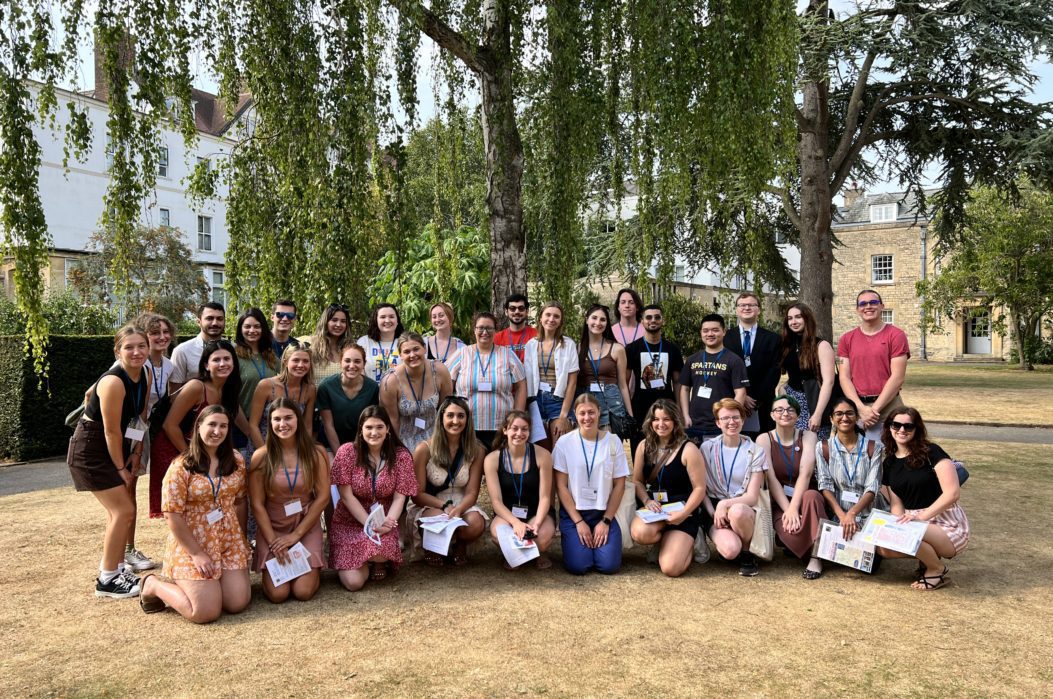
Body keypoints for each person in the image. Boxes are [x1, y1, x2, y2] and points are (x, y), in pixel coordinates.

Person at [137, 406, 251, 622]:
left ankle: (213, 585)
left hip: (228, 540)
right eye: (212, 424)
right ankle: (152, 584)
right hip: (193, 543)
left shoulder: (236, 461)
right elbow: (172, 514)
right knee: (205, 612)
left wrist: (242, 541)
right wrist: (197, 553)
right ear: (199, 427)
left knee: (237, 603)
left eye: (223, 426)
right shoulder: (181, 467)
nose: (217, 431)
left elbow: (240, 500)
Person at [67, 326, 150, 598]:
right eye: (129, 347)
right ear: (117, 351)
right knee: (123, 511)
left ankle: (116, 567)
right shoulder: (113, 381)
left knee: (119, 512)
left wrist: (135, 454)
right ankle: (107, 579)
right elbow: (110, 431)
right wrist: (120, 468)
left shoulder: (145, 374)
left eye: (141, 346)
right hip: (91, 450)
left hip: (116, 447)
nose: (136, 352)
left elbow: (139, 419)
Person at [149, 339, 250, 519]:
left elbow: (237, 414)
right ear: (206, 364)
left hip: (200, 451)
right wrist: (192, 458)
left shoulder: (228, 388)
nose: (222, 364)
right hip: (175, 446)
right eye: (216, 360)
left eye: (227, 359)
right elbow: (170, 425)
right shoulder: (196, 387)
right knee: (182, 508)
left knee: (204, 505)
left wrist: (258, 438)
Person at [878, 407, 969, 591]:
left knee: (909, 532)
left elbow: (952, 493)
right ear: (889, 427)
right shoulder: (889, 463)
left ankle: (936, 569)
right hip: (912, 520)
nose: (901, 430)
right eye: (896, 425)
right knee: (883, 547)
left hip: (945, 521)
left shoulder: (932, 452)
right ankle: (928, 560)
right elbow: (896, 503)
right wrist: (895, 523)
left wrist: (920, 518)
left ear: (916, 429)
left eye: (908, 426)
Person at [248, 398, 330, 602]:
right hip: (273, 528)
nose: (282, 424)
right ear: (270, 422)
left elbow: (322, 497)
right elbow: (257, 504)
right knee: (278, 595)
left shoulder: (315, 453)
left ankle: (311, 572)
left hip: (305, 525)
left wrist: (296, 535)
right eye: (276, 419)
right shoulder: (261, 457)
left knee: (303, 592)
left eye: (288, 418)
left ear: (298, 420)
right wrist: (274, 541)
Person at [330, 406, 418, 588]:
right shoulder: (346, 453)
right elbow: (346, 496)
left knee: (380, 551)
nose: (374, 432)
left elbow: (399, 498)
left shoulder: (401, 456)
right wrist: (369, 523)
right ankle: (364, 561)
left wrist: (388, 522)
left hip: (383, 521)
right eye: (369, 427)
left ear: (387, 429)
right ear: (361, 430)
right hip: (350, 521)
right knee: (353, 583)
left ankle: (376, 560)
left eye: (379, 427)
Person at [552, 394, 630, 575]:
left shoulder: (613, 441)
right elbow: (561, 486)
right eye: (582, 413)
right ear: (575, 415)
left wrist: (606, 521)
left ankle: (599, 542)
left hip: (604, 512)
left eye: (591, 412)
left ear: (599, 412)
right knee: (578, 566)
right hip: (575, 513)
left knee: (608, 566)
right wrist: (579, 522)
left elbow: (619, 484)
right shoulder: (564, 443)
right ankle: (579, 545)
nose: (587, 418)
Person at [629, 400, 707, 578]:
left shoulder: (689, 449)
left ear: (675, 421)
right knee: (640, 533)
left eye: (666, 419)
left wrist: (683, 513)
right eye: (656, 419)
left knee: (671, 569)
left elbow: (700, 488)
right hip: (656, 510)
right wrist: (647, 501)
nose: (661, 424)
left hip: (683, 512)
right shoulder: (644, 446)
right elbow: (637, 481)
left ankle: (691, 542)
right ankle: (665, 541)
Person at [123, 311, 175, 572]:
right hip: (130, 432)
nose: (162, 337)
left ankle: (128, 549)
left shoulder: (168, 365)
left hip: (148, 432)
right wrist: (134, 444)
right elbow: (94, 392)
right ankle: (125, 550)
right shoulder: (135, 363)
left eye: (166, 332)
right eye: (155, 333)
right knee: (126, 489)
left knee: (133, 489)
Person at [408, 397, 488, 566]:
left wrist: (459, 509)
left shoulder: (478, 450)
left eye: (461, 416)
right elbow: (417, 495)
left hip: (462, 501)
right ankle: (432, 547)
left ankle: (460, 546)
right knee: (440, 519)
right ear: (441, 418)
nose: (455, 421)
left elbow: (472, 492)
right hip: (431, 503)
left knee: (475, 523)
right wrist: (445, 506)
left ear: (467, 419)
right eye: (450, 415)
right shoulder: (424, 449)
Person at [755, 395, 826, 579]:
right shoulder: (764, 439)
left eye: (790, 410)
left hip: (807, 500)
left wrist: (795, 508)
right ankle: (804, 541)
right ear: (772, 415)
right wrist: (788, 510)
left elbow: (806, 473)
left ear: (797, 415)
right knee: (791, 536)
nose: (785, 413)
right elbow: (771, 479)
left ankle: (816, 556)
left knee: (812, 496)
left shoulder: (809, 436)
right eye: (779, 410)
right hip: (780, 501)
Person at [698, 398, 768, 576]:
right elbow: (701, 488)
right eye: (726, 418)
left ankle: (747, 552)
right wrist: (713, 511)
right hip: (714, 509)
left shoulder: (755, 450)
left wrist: (725, 505)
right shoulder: (706, 448)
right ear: (717, 422)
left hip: (744, 507)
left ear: (743, 420)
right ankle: (733, 545)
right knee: (730, 551)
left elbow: (752, 496)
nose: (732, 422)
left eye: (736, 417)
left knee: (737, 511)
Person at [484, 411, 557, 569]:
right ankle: (516, 553)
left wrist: (536, 524)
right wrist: (516, 523)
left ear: (530, 432)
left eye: (524, 429)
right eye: (514, 428)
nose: (519, 433)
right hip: (508, 514)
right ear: (505, 430)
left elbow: (545, 498)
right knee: (498, 534)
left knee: (541, 539)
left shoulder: (543, 455)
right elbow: (496, 502)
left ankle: (532, 552)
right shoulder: (492, 459)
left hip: (537, 513)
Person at [837, 289, 910, 441]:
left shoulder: (896, 335)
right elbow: (844, 377)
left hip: (889, 406)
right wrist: (860, 408)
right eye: (863, 303)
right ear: (858, 309)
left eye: (873, 302)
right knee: (854, 457)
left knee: (892, 457)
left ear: (882, 306)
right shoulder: (846, 339)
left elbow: (897, 377)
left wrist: (873, 410)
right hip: (856, 407)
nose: (868, 306)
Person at [447, 311, 527, 448]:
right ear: (474, 330)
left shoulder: (507, 354)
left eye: (489, 328)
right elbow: (447, 383)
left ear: (496, 330)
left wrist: (517, 416)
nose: (485, 332)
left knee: (497, 465)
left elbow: (521, 385)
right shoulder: (462, 353)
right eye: (480, 328)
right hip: (466, 425)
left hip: (501, 426)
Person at [815, 397, 885, 542]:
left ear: (857, 417)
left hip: (868, 515)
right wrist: (843, 516)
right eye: (839, 414)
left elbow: (872, 488)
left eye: (849, 413)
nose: (844, 418)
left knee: (870, 562)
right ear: (831, 419)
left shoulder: (874, 447)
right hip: (838, 515)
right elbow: (825, 484)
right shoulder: (823, 447)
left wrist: (852, 514)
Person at [379, 332, 453, 455]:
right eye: (407, 352)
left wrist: (446, 442)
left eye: (416, 349)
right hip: (404, 441)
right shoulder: (390, 381)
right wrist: (396, 451)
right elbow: (392, 420)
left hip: (435, 438)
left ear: (424, 348)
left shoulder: (439, 371)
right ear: (400, 355)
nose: (412, 355)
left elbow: (446, 409)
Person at [679, 314, 749, 444]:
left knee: (719, 462)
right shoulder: (692, 359)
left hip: (720, 425)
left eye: (715, 330)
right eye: (705, 330)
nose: (710, 334)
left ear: (724, 332)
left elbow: (741, 392)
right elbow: (684, 389)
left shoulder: (734, 360)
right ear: (701, 333)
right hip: (694, 424)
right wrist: (685, 415)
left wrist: (730, 419)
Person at [625, 304, 684, 451]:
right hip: (639, 409)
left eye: (657, 317)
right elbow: (624, 382)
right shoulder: (632, 348)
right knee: (640, 451)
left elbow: (678, 383)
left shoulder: (673, 349)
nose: (653, 320)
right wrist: (627, 410)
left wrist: (680, 409)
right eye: (649, 317)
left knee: (666, 451)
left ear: (663, 321)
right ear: (642, 321)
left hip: (667, 408)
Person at [723, 292, 781, 436]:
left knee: (763, 446)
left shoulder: (773, 339)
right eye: (742, 305)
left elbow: (774, 371)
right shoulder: (725, 338)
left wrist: (754, 399)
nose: (746, 308)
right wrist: (742, 396)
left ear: (759, 310)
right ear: (736, 309)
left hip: (762, 404)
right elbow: (723, 371)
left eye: (751, 305)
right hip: (732, 402)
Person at [522, 301, 579, 449]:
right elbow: (526, 379)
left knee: (559, 448)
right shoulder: (531, 345)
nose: (551, 319)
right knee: (540, 450)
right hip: (535, 402)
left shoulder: (568, 344)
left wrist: (563, 416)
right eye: (548, 314)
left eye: (556, 316)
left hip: (558, 401)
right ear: (540, 317)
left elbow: (572, 383)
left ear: (561, 321)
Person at [780, 302, 837, 439]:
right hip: (791, 404)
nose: (793, 321)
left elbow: (828, 382)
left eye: (798, 317)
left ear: (807, 319)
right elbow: (795, 373)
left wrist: (817, 414)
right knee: (793, 447)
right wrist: (784, 388)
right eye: (790, 318)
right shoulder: (788, 346)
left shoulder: (821, 345)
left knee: (814, 450)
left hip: (813, 403)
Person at [576, 304, 633, 435]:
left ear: (607, 323)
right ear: (586, 320)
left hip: (611, 405)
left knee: (609, 450)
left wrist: (629, 414)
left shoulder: (617, 349)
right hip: (586, 406)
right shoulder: (577, 349)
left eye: (603, 319)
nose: (598, 323)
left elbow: (623, 385)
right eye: (594, 318)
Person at [248, 346, 316, 449]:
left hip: (292, 449)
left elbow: (307, 426)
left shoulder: (310, 390)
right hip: (264, 446)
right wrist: (264, 454)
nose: (301, 365)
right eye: (296, 360)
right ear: (285, 362)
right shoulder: (266, 386)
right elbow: (253, 425)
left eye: (305, 361)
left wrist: (304, 451)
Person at [234, 308, 279, 454]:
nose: (252, 330)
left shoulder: (270, 355)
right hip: (242, 426)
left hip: (270, 426)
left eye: (257, 326)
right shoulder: (233, 356)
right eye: (247, 326)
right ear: (240, 329)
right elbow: (230, 398)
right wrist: (248, 430)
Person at [318, 344, 380, 449]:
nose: (351, 366)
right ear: (340, 363)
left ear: (364, 364)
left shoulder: (372, 388)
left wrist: (354, 451)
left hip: (361, 444)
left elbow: (366, 423)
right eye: (347, 361)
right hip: (330, 444)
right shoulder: (326, 387)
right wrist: (340, 455)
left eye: (357, 361)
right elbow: (328, 425)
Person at [170, 302, 226, 391]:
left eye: (219, 319)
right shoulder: (182, 351)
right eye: (209, 318)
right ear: (199, 322)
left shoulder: (233, 349)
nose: (215, 323)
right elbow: (174, 392)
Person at [357, 303, 405, 382]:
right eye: (382, 317)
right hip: (371, 392)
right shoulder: (364, 342)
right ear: (376, 320)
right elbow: (358, 371)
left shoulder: (404, 342)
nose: (387, 320)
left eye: (391, 317)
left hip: (398, 392)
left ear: (397, 321)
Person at [307, 303, 352, 384]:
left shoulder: (350, 349)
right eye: (334, 320)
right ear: (325, 322)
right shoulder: (311, 346)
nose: (338, 324)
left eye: (343, 321)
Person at [494, 293, 536, 361]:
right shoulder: (497, 338)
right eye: (512, 308)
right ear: (506, 312)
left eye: (521, 308)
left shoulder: (536, 335)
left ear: (527, 311)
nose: (517, 312)